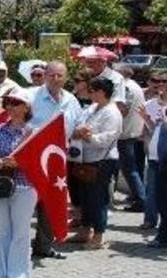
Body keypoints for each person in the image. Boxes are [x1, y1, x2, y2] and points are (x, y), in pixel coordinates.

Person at [28, 61, 81, 260]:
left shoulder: (71, 100)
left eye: (60, 75)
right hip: (33, 158)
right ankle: (19, 246)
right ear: (45, 75)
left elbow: (76, 126)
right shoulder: (31, 96)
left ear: (65, 77)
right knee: (27, 203)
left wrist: (81, 131)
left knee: (51, 203)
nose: (56, 79)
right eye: (52, 75)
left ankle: (44, 246)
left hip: (58, 160)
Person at [0, 88, 35, 278]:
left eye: (16, 103)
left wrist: (20, 163)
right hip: (2, 184)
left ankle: (18, 273)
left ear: (26, 107)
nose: (11, 107)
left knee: (21, 231)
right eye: (9, 102)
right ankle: (0, 271)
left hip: (25, 185)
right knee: (3, 230)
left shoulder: (32, 133)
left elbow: (37, 161)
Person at [69, 76, 122, 250]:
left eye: (91, 90)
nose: (89, 93)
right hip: (85, 160)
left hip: (102, 161)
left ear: (101, 92)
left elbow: (107, 138)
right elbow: (79, 123)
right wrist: (78, 131)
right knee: (84, 197)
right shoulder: (92, 107)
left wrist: (88, 136)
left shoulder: (112, 112)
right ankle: (85, 231)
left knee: (97, 199)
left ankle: (98, 236)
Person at [114, 64, 147, 214]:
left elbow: (123, 110)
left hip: (125, 133)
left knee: (129, 169)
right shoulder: (134, 85)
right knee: (131, 167)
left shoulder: (125, 88)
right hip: (133, 131)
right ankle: (137, 196)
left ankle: (141, 200)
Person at [142, 70, 167, 237]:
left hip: (165, 157)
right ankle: (151, 220)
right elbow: (152, 130)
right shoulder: (151, 104)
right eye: (159, 81)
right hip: (154, 155)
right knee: (153, 191)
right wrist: (146, 119)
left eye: (164, 81)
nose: (161, 84)